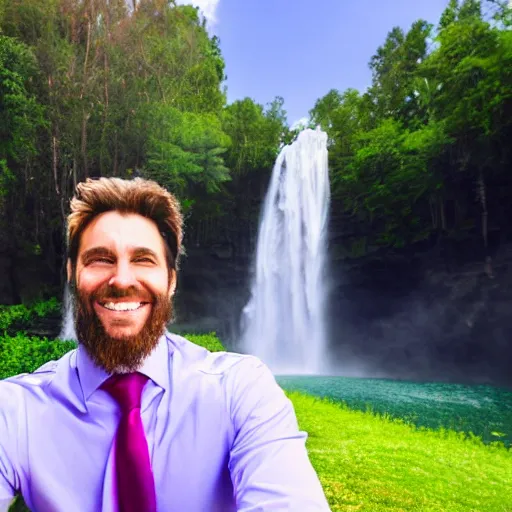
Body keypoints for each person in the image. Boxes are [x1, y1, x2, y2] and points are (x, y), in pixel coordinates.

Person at [0, 177, 330, 512]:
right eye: (100, 259)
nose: (123, 280)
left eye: (143, 259)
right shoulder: (14, 412)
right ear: (72, 272)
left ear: (171, 280)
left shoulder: (240, 391)